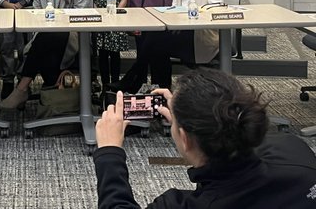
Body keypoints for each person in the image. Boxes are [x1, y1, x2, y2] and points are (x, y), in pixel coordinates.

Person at [94, 68, 316, 208]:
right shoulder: (296, 152)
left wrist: (109, 153)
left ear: (185, 139)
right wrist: (191, 117)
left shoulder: (181, 204)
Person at [0, 0, 91, 109]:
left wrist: (56, 20)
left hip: (71, 35)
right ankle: (53, 94)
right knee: (48, 47)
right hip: (44, 35)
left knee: (49, 39)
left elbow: (82, 12)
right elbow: (37, 12)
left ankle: (22, 88)